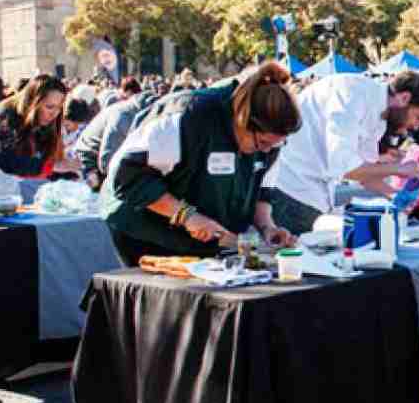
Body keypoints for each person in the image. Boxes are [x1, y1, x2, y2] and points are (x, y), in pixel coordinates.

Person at [101, 61, 302, 265]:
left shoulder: (269, 142)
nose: (267, 151)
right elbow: (126, 175)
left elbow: (261, 189)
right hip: (144, 231)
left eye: (276, 145)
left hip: (206, 240)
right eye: (263, 142)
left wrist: (268, 228)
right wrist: (186, 216)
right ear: (243, 120)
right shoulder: (189, 115)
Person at [263, 71, 419, 235]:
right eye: (418, 118)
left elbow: (364, 174)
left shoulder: (378, 114)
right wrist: (399, 169)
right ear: (404, 98)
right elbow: (347, 169)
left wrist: (397, 197)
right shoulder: (351, 94)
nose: (416, 127)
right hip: (290, 189)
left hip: (313, 193)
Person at [0, 74, 81, 180]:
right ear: (33, 102)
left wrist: (67, 173)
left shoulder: (46, 122)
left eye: (59, 108)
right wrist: (52, 166)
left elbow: (43, 161)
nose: (55, 113)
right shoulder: (2, 116)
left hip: (1, 178)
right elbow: (5, 159)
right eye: (50, 107)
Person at [75, 90, 159, 191]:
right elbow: (107, 162)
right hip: (89, 157)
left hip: (105, 154)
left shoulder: (135, 113)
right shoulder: (124, 117)